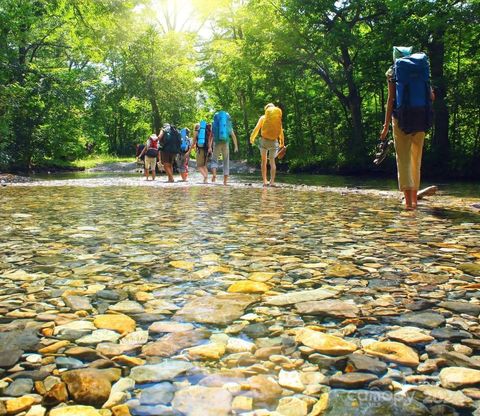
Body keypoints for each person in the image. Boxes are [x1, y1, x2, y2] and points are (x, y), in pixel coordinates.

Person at [380, 46, 434, 210]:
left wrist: (385, 127)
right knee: (416, 159)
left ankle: (409, 204)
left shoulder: (392, 72)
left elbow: (390, 100)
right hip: (421, 118)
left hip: (401, 120)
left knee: (403, 159)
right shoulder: (422, 69)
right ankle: (415, 203)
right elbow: (431, 96)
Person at [250, 103, 285, 187]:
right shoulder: (277, 118)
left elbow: (256, 129)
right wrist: (282, 142)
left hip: (264, 141)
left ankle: (265, 181)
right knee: (272, 161)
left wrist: (252, 138)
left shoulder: (263, 118)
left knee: (264, 161)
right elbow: (280, 131)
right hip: (274, 141)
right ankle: (272, 182)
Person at [211, 110, 239, 185]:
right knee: (226, 161)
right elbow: (233, 135)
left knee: (214, 160)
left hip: (216, 143)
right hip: (225, 143)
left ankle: (214, 175)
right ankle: (225, 181)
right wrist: (236, 146)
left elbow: (211, 135)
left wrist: (209, 146)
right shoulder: (228, 124)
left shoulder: (214, 124)